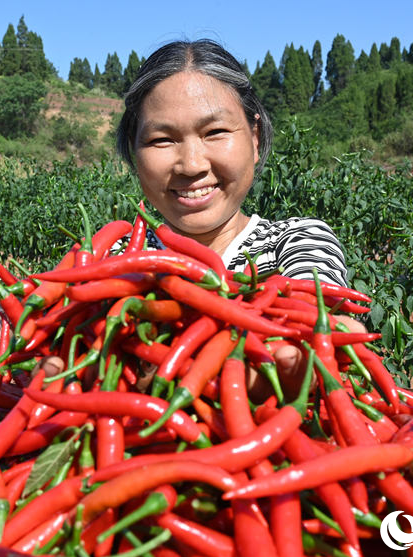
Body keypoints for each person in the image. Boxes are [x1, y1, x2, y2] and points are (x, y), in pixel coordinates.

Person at [112, 38, 366, 398]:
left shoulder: (295, 242)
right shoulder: (119, 258)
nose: (192, 165)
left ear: (255, 137)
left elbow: (326, 326)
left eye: (215, 132)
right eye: (162, 139)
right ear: (133, 153)